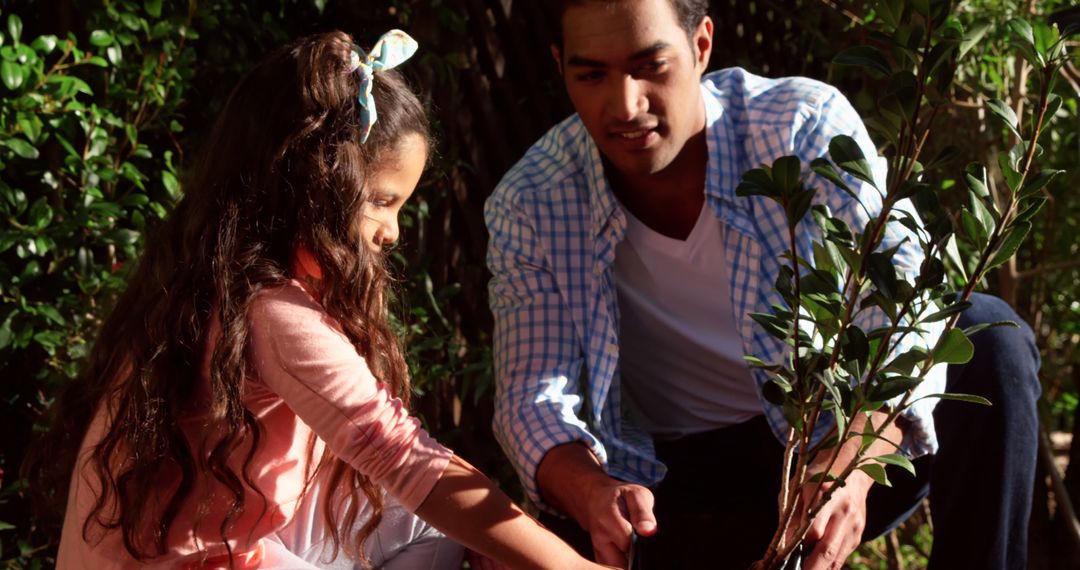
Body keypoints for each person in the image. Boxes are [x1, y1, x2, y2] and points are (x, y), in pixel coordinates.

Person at [484, 1, 1041, 569]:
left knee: (985, 337)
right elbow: (532, 397)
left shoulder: (799, 127)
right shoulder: (534, 200)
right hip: (665, 488)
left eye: (651, 65)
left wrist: (851, 462)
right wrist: (591, 491)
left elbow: (904, 306)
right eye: (592, 75)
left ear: (701, 46)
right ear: (559, 67)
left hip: (832, 444)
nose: (625, 105)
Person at [28, 30, 612, 570]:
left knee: (434, 527)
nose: (393, 232)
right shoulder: (273, 313)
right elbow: (400, 454)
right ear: (315, 187)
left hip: (175, 549)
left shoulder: (211, 283)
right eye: (382, 201)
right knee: (437, 519)